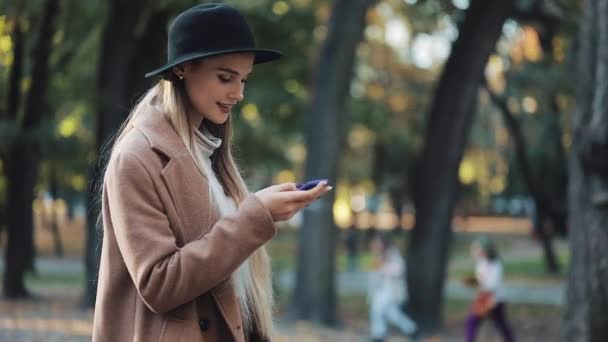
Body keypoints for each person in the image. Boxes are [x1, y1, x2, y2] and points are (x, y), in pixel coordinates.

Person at [91, 4, 332, 342]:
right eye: (225, 77)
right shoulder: (137, 158)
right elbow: (159, 284)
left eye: (244, 79)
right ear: (183, 70)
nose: (239, 93)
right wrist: (255, 216)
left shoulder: (209, 150)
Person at [368, 234, 417, 342]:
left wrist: (382, 269)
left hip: (390, 289)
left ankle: (378, 335)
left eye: (377, 242)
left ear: (383, 243)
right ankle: (412, 329)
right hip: (380, 289)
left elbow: (399, 269)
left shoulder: (392, 254)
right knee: (393, 314)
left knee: (376, 311)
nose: (375, 245)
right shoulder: (378, 255)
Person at [465, 237, 515, 342]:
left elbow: (492, 285)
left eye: (477, 249)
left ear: (484, 250)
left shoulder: (495, 264)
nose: (475, 252)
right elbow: (481, 279)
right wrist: (473, 281)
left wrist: (477, 283)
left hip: (493, 299)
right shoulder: (481, 263)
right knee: (473, 322)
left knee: (476, 322)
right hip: (484, 298)